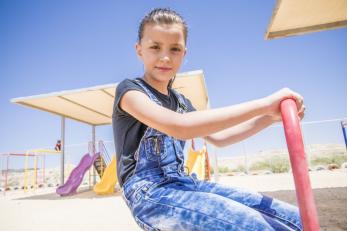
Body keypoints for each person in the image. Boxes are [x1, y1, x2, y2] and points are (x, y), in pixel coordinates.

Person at [112, 8, 305, 231]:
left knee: (294, 219)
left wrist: (269, 117)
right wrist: (264, 104)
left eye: (175, 49)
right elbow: (180, 127)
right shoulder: (131, 92)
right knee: (253, 226)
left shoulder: (182, 102)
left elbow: (221, 137)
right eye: (155, 47)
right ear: (139, 50)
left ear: (184, 53)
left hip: (185, 183)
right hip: (149, 192)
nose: (165, 57)